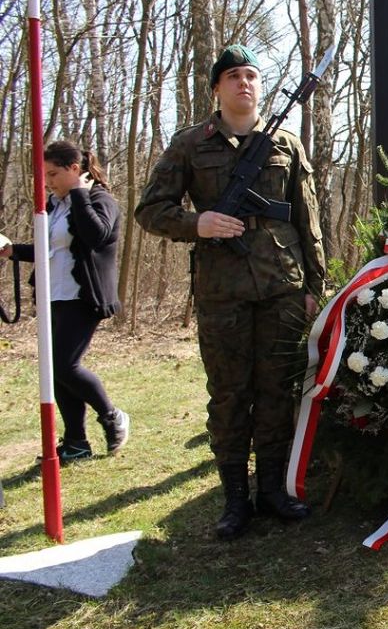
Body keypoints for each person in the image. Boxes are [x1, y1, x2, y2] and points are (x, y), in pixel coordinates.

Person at [135, 44, 326, 540]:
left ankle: (273, 491)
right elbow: (150, 210)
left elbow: (308, 219)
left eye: (251, 75)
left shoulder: (286, 142)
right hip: (222, 293)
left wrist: (315, 285)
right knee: (228, 396)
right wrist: (198, 222)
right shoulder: (190, 145)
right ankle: (235, 500)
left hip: (283, 288)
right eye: (233, 76)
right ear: (217, 88)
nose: (244, 83)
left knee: (277, 392)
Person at [0, 141, 129, 462]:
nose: (48, 181)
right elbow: (51, 249)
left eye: (54, 173)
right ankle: (76, 442)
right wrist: (13, 250)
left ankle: (112, 416)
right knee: (54, 370)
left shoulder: (99, 199)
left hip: (84, 297)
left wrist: (80, 195)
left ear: (75, 169)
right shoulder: (56, 205)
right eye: (45, 175)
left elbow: (96, 236)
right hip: (53, 296)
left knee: (65, 366)